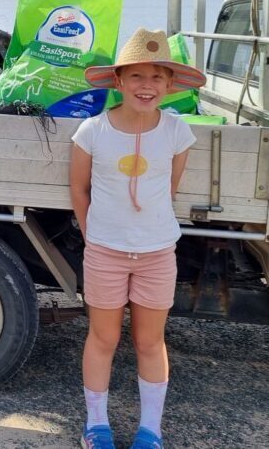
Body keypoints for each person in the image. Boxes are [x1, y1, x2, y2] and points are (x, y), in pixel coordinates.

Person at [69, 28, 206, 449]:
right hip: (105, 253)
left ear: (169, 84)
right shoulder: (92, 131)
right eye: (136, 77)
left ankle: (151, 430)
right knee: (103, 337)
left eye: (156, 78)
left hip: (158, 253)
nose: (146, 87)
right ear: (119, 82)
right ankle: (97, 426)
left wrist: (148, 230)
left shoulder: (176, 131)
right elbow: (79, 190)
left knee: (150, 341)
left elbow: (169, 189)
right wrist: (96, 237)